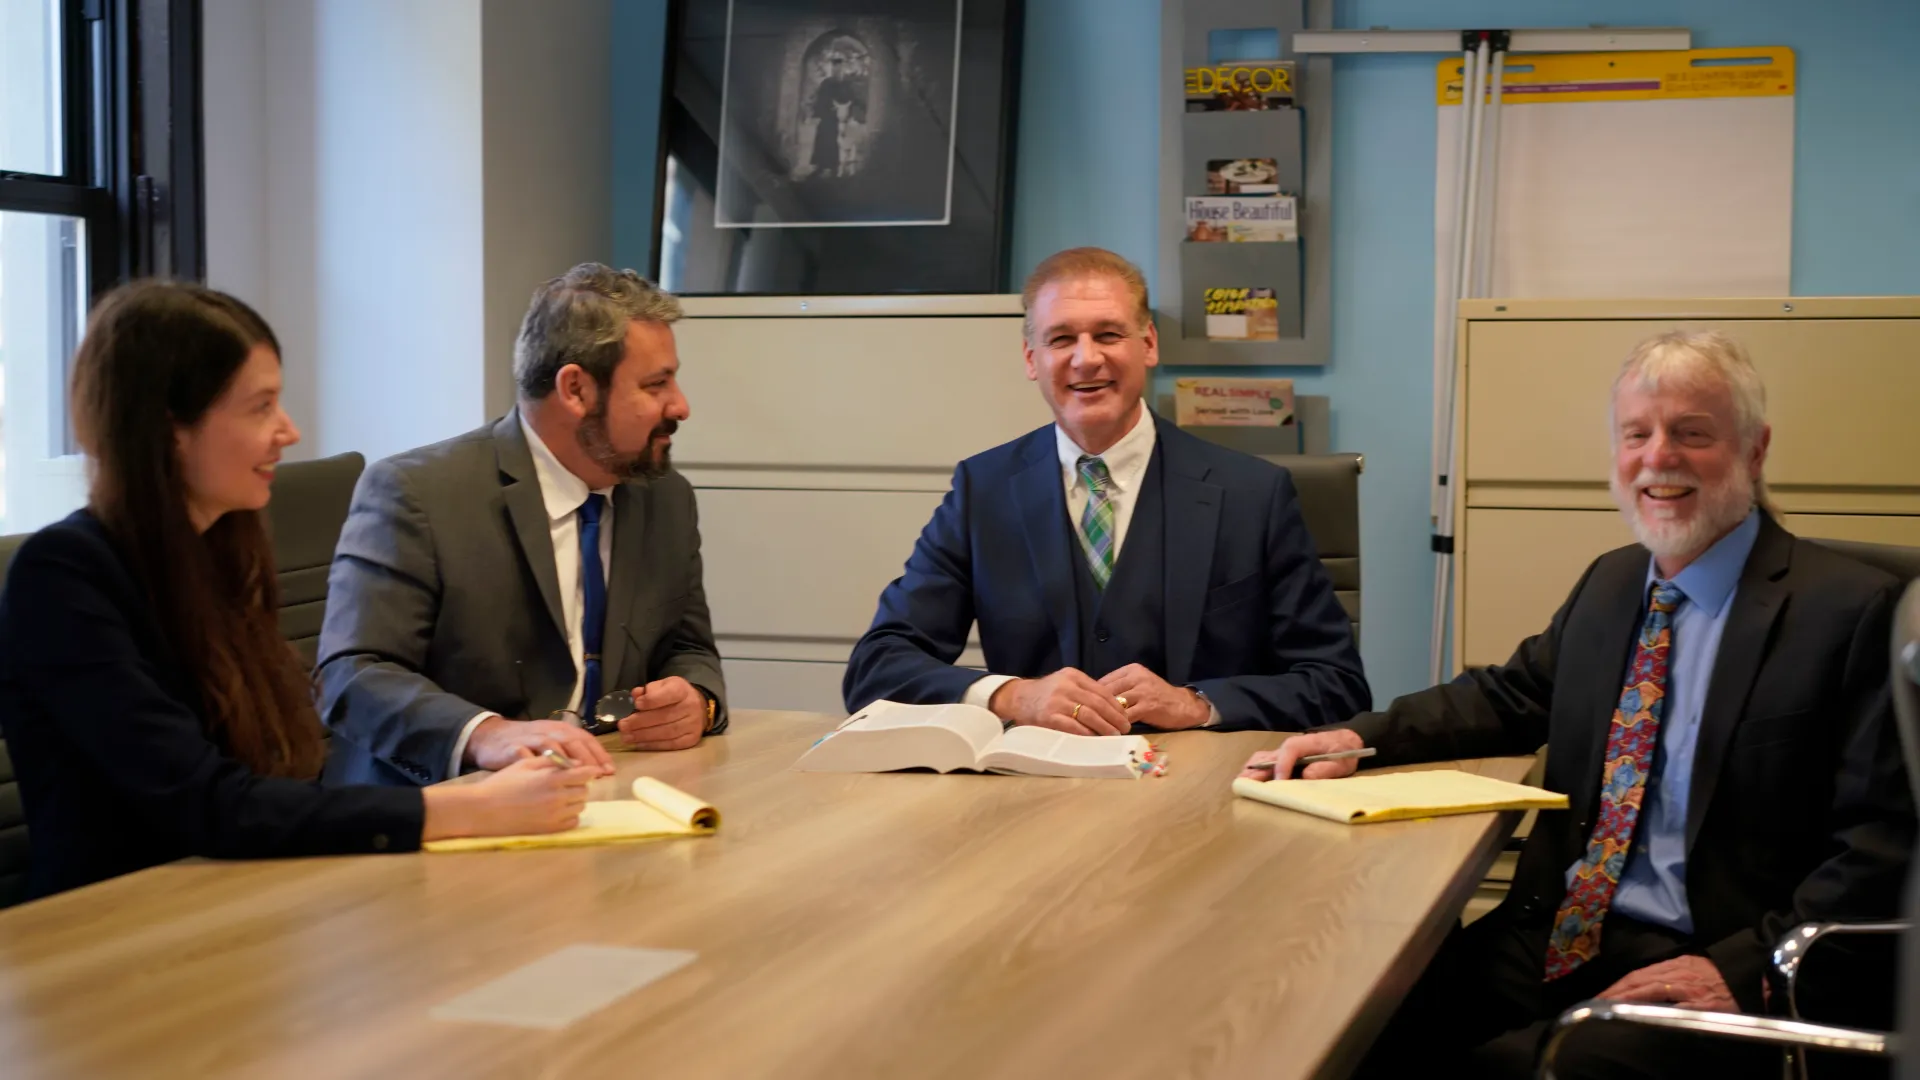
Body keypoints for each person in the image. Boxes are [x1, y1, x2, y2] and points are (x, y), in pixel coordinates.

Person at [1244, 331, 1915, 1079]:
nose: (1659, 457)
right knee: (1344, 1019)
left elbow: (1881, 844)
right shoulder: (1613, 583)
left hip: (1711, 960)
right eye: (1638, 434)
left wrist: (1741, 969)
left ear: (1754, 451)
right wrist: (1355, 738)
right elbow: (1510, 694)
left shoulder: (1852, 613)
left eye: (1692, 433)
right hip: (1563, 931)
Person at [0, 282, 600, 900]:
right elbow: (205, 804)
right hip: (116, 926)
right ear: (170, 428)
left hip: (244, 898)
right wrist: (465, 811)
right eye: (259, 407)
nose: (288, 431)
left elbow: (278, 774)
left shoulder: (220, 555)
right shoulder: (63, 577)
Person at [843, 247, 1369, 733]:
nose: (1086, 359)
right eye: (1062, 338)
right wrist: (1010, 696)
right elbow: (878, 667)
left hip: (1202, 796)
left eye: (1109, 335)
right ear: (1032, 359)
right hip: (1035, 794)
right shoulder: (984, 491)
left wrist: (1198, 703)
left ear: (1149, 345)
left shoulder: (1254, 494)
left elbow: (1338, 684)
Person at [317, 264, 727, 787]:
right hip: (439, 811)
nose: (681, 406)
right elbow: (351, 676)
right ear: (576, 390)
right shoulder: (417, 494)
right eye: (656, 384)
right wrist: (486, 734)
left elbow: (688, 648)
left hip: (606, 793)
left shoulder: (664, 498)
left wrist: (697, 700)